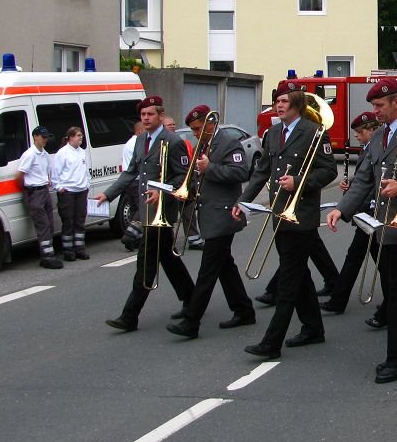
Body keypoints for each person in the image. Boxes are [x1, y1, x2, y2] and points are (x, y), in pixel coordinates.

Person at [327, 78, 397, 384]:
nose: (375, 111)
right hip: (383, 227)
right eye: (373, 106)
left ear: (396, 102)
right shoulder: (379, 137)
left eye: (380, 105)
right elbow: (364, 179)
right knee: (394, 293)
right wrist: (342, 208)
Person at [239, 81, 336, 360]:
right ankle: (313, 328)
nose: (278, 106)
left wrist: (299, 182)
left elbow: (328, 171)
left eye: (284, 101)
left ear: (296, 104)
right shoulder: (273, 133)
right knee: (300, 275)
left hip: (301, 215)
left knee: (288, 281)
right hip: (279, 213)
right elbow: (262, 171)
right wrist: (243, 202)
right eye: (277, 101)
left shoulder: (314, 132)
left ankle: (272, 343)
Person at [98, 96, 195, 331]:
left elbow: (183, 177)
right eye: (143, 115)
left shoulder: (173, 141)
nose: (145, 118)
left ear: (160, 116)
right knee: (168, 258)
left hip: (162, 210)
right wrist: (108, 195)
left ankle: (130, 316)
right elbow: (130, 172)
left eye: (150, 114)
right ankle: (192, 299)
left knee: (146, 262)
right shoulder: (141, 140)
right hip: (146, 209)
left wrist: (162, 192)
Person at [167, 106, 256, 339]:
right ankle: (243, 310)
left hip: (224, 215)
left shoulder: (228, 143)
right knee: (224, 266)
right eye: (193, 130)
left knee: (207, 271)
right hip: (209, 213)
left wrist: (210, 168)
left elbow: (240, 173)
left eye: (198, 129)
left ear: (210, 124)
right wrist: (187, 191)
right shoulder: (203, 146)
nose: (196, 134)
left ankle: (191, 321)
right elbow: (199, 179)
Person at [320, 112, 382, 314]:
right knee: (368, 258)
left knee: (356, 257)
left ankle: (339, 300)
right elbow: (364, 177)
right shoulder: (367, 148)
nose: (356, 136)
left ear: (371, 130)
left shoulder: (377, 148)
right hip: (365, 210)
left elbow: (373, 182)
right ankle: (340, 300)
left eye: (360, 132)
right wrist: (351, 183)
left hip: (371, 210)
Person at [18, 126, 61, 269]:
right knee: (43, 225)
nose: (45, 140)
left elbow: (47, 172)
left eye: (47, 137)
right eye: (43, 137)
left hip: (44, 190)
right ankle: (47, 257)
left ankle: (49, 253)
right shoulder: (30, 155)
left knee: (49, 223)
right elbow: (20, 175)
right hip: (34, 191)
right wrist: (27, 192)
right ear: (35, 136)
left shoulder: (45, 154)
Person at [51, 126, 90, 262]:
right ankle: (68, 250)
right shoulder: (62, 153)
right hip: (68, 192)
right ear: (71, 137)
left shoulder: (82, 152)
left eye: (81, 135)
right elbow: (55, 172)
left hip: (81, 191)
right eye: (78, 135)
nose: (81, 137)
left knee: (80, 221)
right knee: (68, 221)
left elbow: (86, 170)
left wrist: (87, 184)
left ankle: (80, 249)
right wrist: (59, 187)